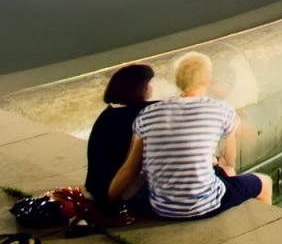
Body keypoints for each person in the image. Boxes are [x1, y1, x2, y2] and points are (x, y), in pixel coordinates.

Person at [108, 52, 271, 219]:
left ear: (178, 80)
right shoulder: (221, 110)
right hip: (206, 205)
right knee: (263, 182)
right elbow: (229, 160)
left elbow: (129, 169)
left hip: (161, 208)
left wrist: (107, 203)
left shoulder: (147, 114)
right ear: (207, 80)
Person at [85, 63, 154, 218]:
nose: (152, 86)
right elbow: (130, 170)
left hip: (98, 187)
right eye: (149, 82)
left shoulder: (110, 113)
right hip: (117, 191)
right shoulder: (139, 116)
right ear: (140, 87)